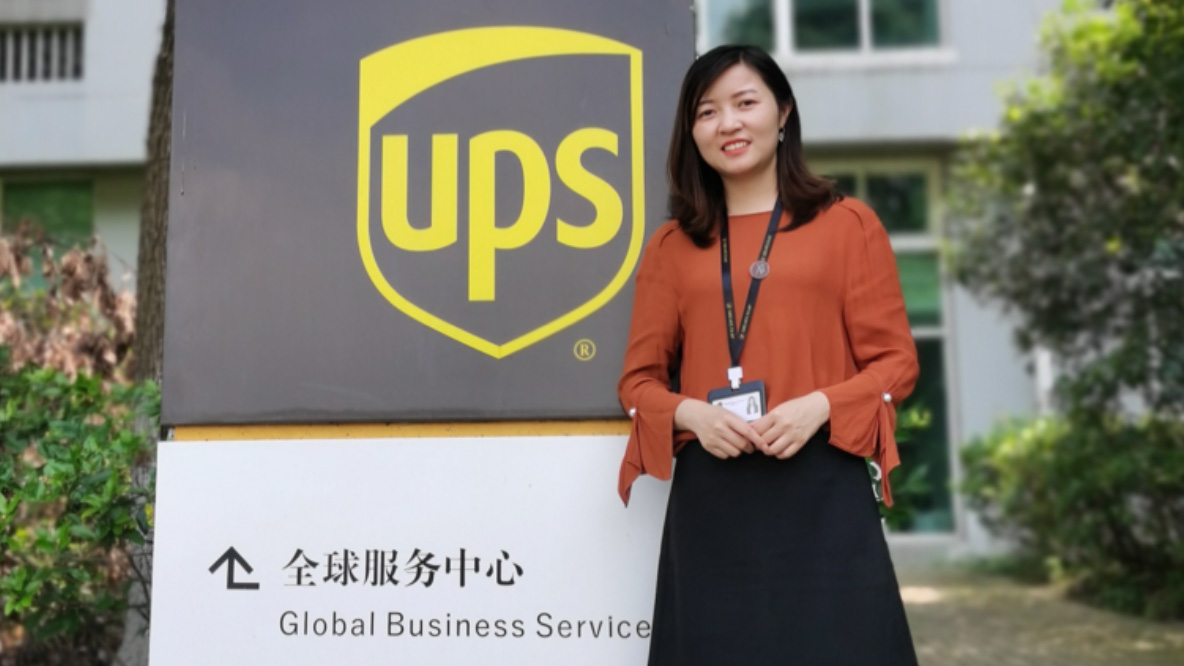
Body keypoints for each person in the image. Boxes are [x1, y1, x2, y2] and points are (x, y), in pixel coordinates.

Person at [617, 45, 921, 665]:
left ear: (783, 112)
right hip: (714, 500)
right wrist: (692, 415)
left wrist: (821, 405)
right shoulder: (673, 245)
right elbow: (638, 383)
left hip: (822, 490)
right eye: (707, 111)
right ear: (691, 132)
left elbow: (896, 364)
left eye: (745, 103)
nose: (727, 123)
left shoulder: (848, 225)